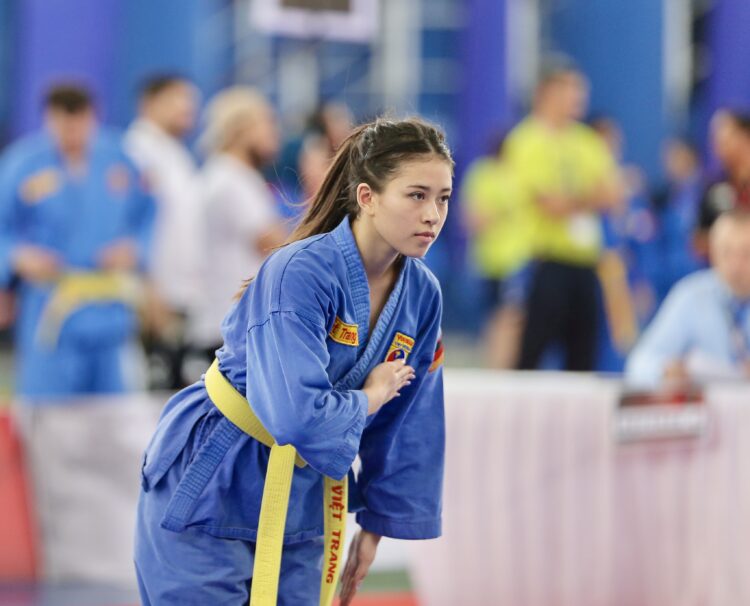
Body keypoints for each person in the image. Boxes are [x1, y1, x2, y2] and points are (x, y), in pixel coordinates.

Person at [135, 117, 452, 605]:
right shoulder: (300, 272)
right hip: (216, 472)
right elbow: (296, 413)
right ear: (367, 197)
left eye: (443, 198)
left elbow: (413, 418)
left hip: (305, 497)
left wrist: (376, 525)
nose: (432, 214)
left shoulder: (422, 293)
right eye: (416, 195)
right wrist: (370, 397)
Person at [0, 84, 154, 398]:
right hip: (50, 305)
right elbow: (4, 226)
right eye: (62, 125)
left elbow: (147, 214)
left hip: (108, 306)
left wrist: (135, 247)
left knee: (112, 409)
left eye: (79, 124)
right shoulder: (23, 163)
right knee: (47, 410)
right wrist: (17, 256)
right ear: (48, 120)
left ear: (94, 117)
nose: (71, 134)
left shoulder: (118, 159)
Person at [504, 57, 623, 370]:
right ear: (547, 92)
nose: (578, 98)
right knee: (531, 354)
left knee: (584, 357)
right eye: (571, 90)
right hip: (545, 262)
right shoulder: (526, 139)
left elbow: (613, 195)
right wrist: (588, 198)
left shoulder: (587, 141)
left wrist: (574, 200)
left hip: (586, 264)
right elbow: (548, 204)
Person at [185, 87, 286, 379]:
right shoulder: (233, 180)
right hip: (231, 325)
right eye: (267, 123)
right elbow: (276, 244)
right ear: (242, 129)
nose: (275, 133)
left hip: (225, 320)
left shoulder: (225, 175)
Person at [124, 74, 201, 389]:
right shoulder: (136, 152)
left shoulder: (177, 154)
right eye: (177, 99)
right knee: (149, 390)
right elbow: (129, 225)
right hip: (153, 294)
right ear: (149, 103)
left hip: (180, 290)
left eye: (191, 101)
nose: (187, 108)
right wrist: (147, 286)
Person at [625, 209, 750, 388]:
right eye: (726, 252)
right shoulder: (691, 296)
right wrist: (665, 371)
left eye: (746, 254)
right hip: (711, 403)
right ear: (712, 252)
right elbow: (639, 363)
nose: (735, 265)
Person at [461, 133, 533, 368]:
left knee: (509, 315)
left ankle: (502, 365)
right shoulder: (483, 174)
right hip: (489, 260)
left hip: (515, 261)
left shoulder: (520, 174)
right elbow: (472, 219)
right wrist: (499, 213)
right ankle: (496, 365)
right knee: (492, 316)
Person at [695, 110, 750, 257]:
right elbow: (697, 241)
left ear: (745, 136)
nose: (716, 144)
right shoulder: (714, 188)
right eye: (713, 138)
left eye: (723, 136)